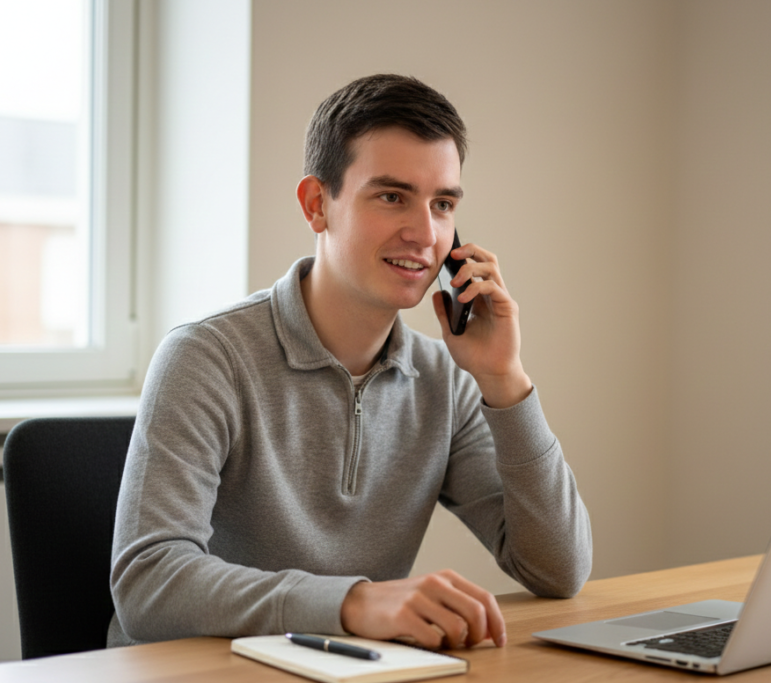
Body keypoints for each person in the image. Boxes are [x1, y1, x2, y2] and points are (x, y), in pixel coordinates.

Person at [109, 74, 592, 650]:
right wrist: (352, 602)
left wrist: (504, 380)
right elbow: (147, 586)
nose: (424, 233)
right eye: (392, 197)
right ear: (318, 204)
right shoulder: (206, 357)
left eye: (442, 205)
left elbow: (559, 571)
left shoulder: (446, 382)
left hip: (344, 669)